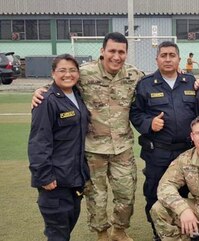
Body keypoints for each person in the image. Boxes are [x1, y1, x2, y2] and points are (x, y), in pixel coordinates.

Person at [32, 32, 144, 241]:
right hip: (93, 150)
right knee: (96, 197)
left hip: (122, 149)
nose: (116, 56)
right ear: (102, 51)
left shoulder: (134, 75)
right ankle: (101, 233)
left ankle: (119, 230)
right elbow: (59, 85)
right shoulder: (84, 73)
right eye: (112, 51)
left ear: (126, 54)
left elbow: (155, 84)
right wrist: (39, 91)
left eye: (121, 52)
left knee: (126, 195)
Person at [129, 41, 197, 241]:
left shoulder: (191, 82)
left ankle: (185, 230)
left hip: (186, 151)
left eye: (172, 55)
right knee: (155, 192)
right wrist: (149, 123)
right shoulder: (145, 84)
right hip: (158, 152)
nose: (168, 59)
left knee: (184, 191)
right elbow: (135, 113)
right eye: (164, 55)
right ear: (157, 59)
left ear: (179, 59)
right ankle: (159, 232)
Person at [28, 54, 90, 241]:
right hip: (55, 181)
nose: (67, 74)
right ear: (53, 73)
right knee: (57, 233)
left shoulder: (77, 95)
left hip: (74, 178)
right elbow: (39, 141)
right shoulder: (46, 101)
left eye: (72, 70)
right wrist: (44, 176)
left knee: (66, 228)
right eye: (62, 70)